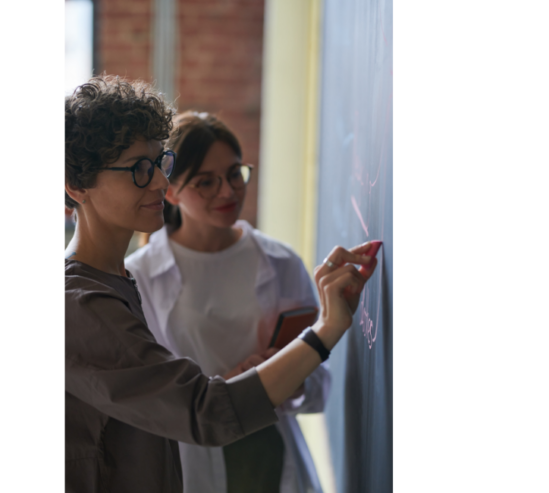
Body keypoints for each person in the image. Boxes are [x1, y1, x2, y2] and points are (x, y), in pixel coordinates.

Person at [64, 75, 378, 493]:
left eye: (160, 163)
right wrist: (326, 330)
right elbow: (205, 412)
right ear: (77, 187)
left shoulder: (115, 281)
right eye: (139, 169)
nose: (160, 181)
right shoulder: (79, 304)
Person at [125, 111, 327, 493]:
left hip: (270, 457)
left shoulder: (281, 262)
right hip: (190, 466)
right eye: (206, 182)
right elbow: (140, 401)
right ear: (169, 190)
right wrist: (221, 393)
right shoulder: (139, 278)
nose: (228, 192)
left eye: (235, 174)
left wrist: (282, 376)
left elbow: (318, 390)